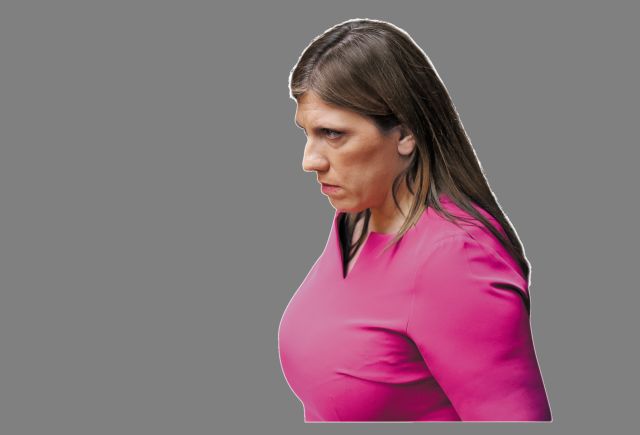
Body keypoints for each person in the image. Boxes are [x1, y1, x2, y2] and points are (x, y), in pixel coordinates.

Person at [277, 18, 552, 422]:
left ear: (405, 134)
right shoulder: (357, 219)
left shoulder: (457, 259)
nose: (309, 160)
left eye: (333, 134)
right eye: (307, 132)